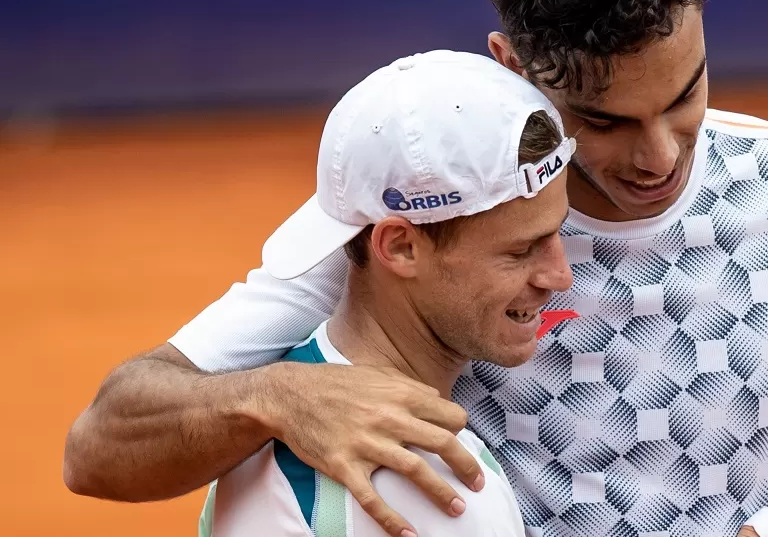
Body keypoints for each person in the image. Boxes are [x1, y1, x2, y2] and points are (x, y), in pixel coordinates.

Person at [65, 0, 768, 537]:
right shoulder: (421, 204)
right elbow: (103, 442)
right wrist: (280, 394)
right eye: (601, 122)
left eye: (684, 96)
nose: (659, 155)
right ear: (513, 67)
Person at [200, 49, 577, 536]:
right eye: (520, 251)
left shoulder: (266, 424)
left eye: (555, 233)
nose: (560, 275)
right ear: (399, 247)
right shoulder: (432, 485)